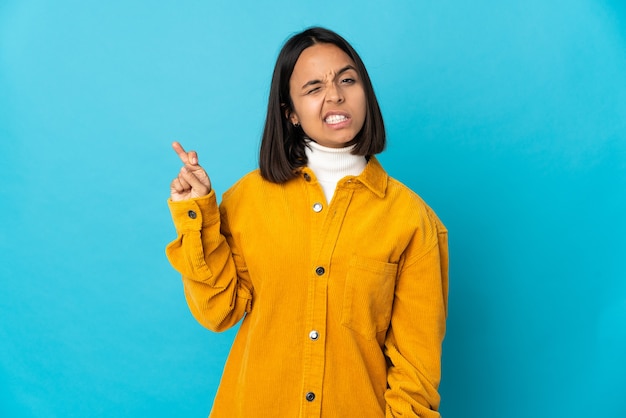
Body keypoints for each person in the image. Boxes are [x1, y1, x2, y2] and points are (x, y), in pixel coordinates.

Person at [166, 27, 448, 418]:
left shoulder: (412, 220)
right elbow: (219, 311)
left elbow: (415, 372)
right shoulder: (248, 199)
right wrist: (196, 214)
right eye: (314, 87)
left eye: (347, 80)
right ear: (291, 113)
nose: (335, 95)